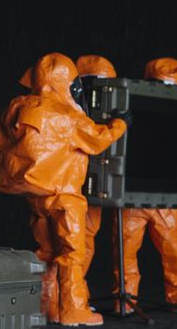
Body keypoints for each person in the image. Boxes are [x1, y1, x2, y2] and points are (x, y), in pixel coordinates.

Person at [0, 52, 128, 326]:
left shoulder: (17, 106)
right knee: (72, 255)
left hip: (35, 196)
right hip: (65, 198)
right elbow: (98, 139)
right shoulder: (67, 115)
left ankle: (46, 308)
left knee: (46, 253)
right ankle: (73, 311)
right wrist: (120, 123)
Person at [112, 57, 177, 313]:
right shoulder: (128, 111)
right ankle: (126, 297)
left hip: (164, 197)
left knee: (174, 250)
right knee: (125, 252)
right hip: (131, 195)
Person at [74, 55, 119, 278]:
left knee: (84, 239)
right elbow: (94, 139)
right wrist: (119, 125)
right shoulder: (70, 110)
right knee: (69, 244)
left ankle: (72, 292)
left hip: (91, 183)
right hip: (69, 186)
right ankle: (60, 295)